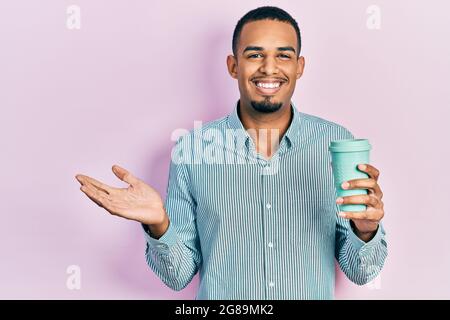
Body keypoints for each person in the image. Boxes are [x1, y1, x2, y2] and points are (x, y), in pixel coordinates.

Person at [75, 6, 387, 299]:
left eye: (283, 55)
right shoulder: (193, 151)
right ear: (233, 65)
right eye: (255, 55)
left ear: (299, 66)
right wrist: (159, 224)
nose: (269, 68)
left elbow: (362, 271)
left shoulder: (336, 143)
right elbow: (178, 276)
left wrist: (366, 229)